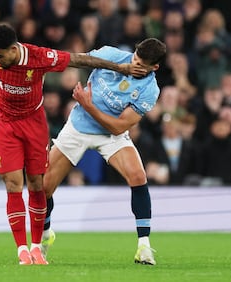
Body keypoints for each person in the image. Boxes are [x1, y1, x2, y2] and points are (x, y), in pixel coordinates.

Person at [0, 24, 148, 265]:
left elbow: (80, 60)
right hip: (5, 122)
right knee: (12, 183)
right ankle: (22, 249)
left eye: (0, 56)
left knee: (37, 184)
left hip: (33, 123)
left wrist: (121, 67)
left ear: (13, 49)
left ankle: (37, 247)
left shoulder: (40, 57)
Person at [41, 38, 167, 266]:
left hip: (111, 134)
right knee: (44, 188)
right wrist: (117, 68)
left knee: (138, 177)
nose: (135, 64)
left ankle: (144, 247)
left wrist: (89, 105)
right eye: (135, 58)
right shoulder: (111, 53)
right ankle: (46, 235)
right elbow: (79, 60)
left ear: (154, 68)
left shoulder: (150, 90)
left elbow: (119, 126)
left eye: (142, 64)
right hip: (78, 127)